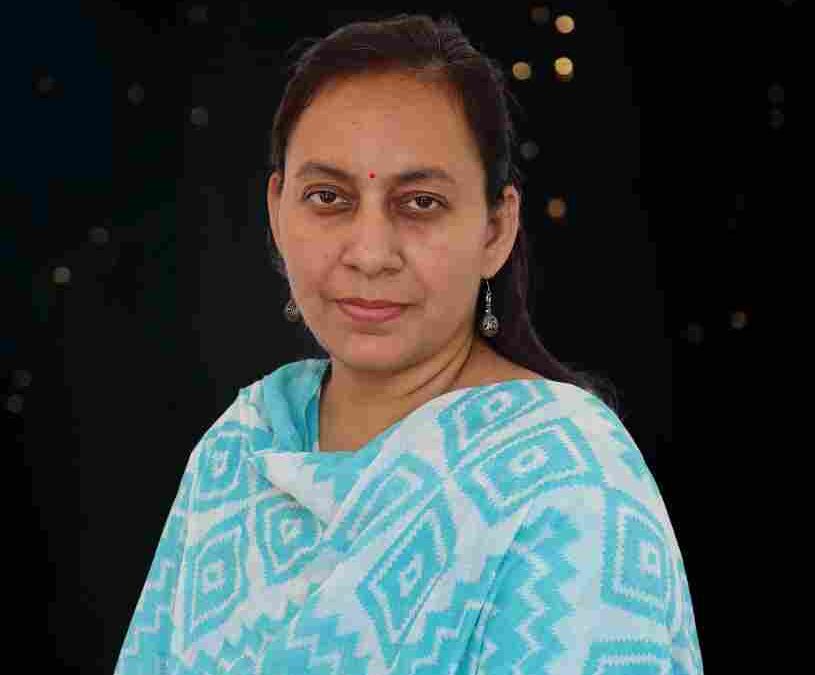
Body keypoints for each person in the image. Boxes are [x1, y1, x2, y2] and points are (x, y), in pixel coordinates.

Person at [113, 13, 703, 675]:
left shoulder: (569, 484)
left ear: (495, 229)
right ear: (276, 211)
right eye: (328, 196)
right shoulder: (239, 450)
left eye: (420, 202)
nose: (369, 253)